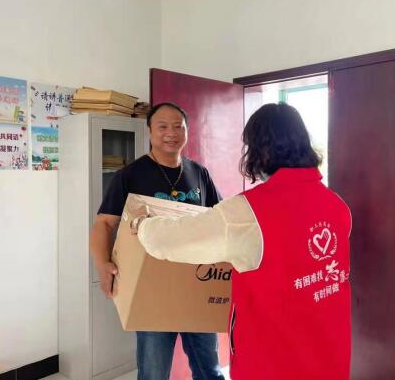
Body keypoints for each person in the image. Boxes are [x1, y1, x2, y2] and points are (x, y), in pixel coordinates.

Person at [133, 102, 352, 380]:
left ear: (261, 151)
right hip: (328, 358)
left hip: (271, 362)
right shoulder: (336, 204)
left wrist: (142, 224)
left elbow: (171, 241)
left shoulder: (246, 213)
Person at [89, 102, 226, 380]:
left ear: (187, 131)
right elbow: (103, 224)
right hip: (151, 289)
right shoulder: (129, 175)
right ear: (150, 131)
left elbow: (218, 219)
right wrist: (102, 264)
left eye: (178, 126)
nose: (171, 133)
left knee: (209, 370)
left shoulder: (199, 173)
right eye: (162, 126)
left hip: (195, 284)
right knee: (153, 373)